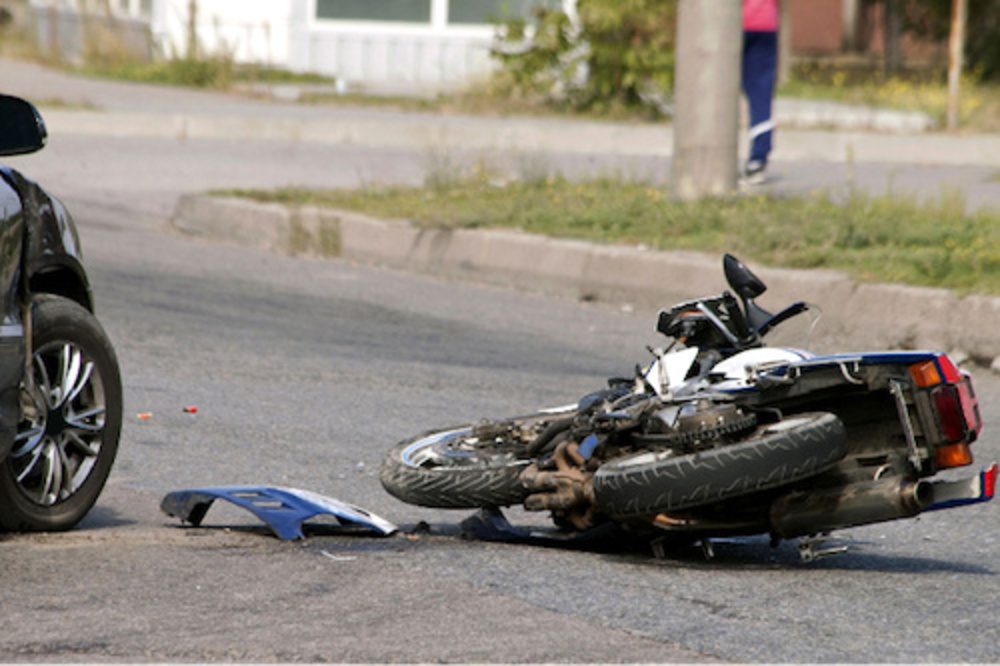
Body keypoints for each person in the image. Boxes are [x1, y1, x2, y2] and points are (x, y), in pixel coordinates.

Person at [741, 0, 779, 184]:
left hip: (732, 22)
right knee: (761, 92)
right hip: (765, 22)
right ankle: (758, 158)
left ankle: (706, 153)